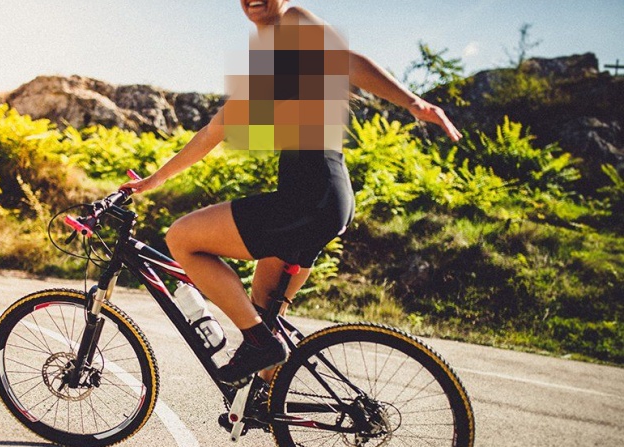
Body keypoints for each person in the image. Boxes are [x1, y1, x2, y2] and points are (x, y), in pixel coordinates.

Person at [120, 0, 462, 389]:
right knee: (265, 312)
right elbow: (213, 132)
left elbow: (347, 62)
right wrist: (154, 180)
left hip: (310, 196)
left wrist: (413, 102)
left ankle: (258, 344)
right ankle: (267, 400)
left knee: (182, 238)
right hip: (322, 198)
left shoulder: (293, 22)